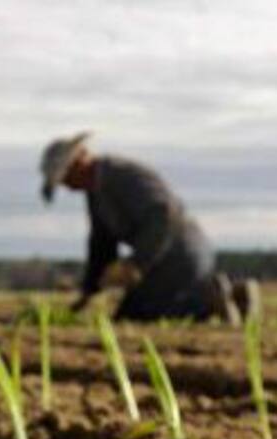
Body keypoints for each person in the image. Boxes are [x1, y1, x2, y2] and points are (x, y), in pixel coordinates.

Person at [39, 132, 259, 322]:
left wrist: (137, 263)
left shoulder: (119, 174)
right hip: (164, 258)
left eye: (66, 178)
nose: (67, 187)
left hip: (181, 252)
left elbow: (163, 213)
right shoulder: (96, 193)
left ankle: (208, 300)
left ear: (80, 161)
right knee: (128, 312)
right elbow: (102, 245)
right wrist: (89, 292)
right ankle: (230, 296)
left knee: (141, 314)